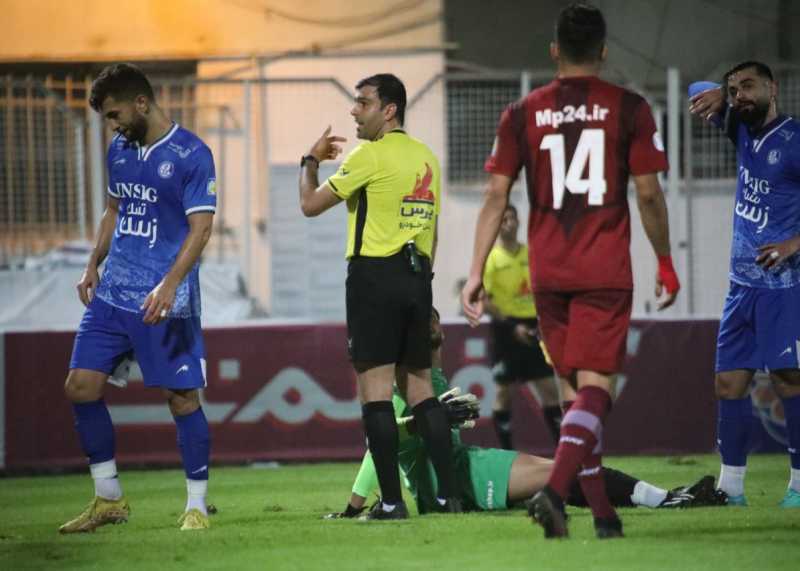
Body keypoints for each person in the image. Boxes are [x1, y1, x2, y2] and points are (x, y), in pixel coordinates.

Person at [461, 4, 680, 539]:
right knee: (597, 390)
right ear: (604, 51)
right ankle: (555, 491)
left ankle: (603, 515)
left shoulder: (520, 113)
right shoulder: (630, 108)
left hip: (549, 273)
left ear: (554, 50)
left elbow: (495, 195)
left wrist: (474, 273)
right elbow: (648, 194)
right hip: (603, 268)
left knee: (570, 395)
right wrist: (666, 262)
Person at [323, 309, 727, 518]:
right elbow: (379, 442)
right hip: (461, 480)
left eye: (431, 313)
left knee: (562, 475)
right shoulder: (405, 380)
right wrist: (354, 506)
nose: (428, 317)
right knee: (563, 474)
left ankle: (665, 498)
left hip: (468, 466)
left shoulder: (435, 375)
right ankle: (667, 499)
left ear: (442, 330)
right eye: (419, 316)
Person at [59, 63, 216, 533]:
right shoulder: (119, 149)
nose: (112, 125)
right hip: (112, 295)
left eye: (115, 114)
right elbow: (114, 209)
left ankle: (197, 506)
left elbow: (201, 228)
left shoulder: (192, 153)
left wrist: (169, 284)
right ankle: (109, 499)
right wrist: (93, 263)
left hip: (165, 299)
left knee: (181, 398)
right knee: (79, 386)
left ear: (141, 102)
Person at [298, 73, 461, 520]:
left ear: (389, 110)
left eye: (363, 103)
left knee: (374, 394)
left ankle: (391, 503)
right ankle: (449, 498)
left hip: (374, 275)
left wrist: (308, 162)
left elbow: (309, 205)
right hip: (416, 276)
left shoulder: (368, 155)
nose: (355, 110)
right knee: (421, 390)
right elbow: (433, 229)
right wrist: (423, 286)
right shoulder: (426, 157)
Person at [689, 62, 800, 508]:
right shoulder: (741, 129)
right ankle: (731, 488)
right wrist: (718, 90)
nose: (741, 96)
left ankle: (798, 486)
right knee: (728, 385)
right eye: (735, 90)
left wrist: (794, 242)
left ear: (772, 88)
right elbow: (696, 89)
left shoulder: (793, 140)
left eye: (749, 86)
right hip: (741, 287)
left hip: (783, 287)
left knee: (789, 382)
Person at [483, 204, 561, 448]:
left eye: (512, 219)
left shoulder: (532, 254)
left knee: (550, 390)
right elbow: (483, 300)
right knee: (504, 393)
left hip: (534, 328)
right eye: (503, 219)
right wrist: (511, 326)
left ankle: (565, 453)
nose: (508, 223)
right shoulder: (491, 259)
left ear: (518, 222)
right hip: (506, 330)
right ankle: (507, 454)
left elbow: (547, 289)